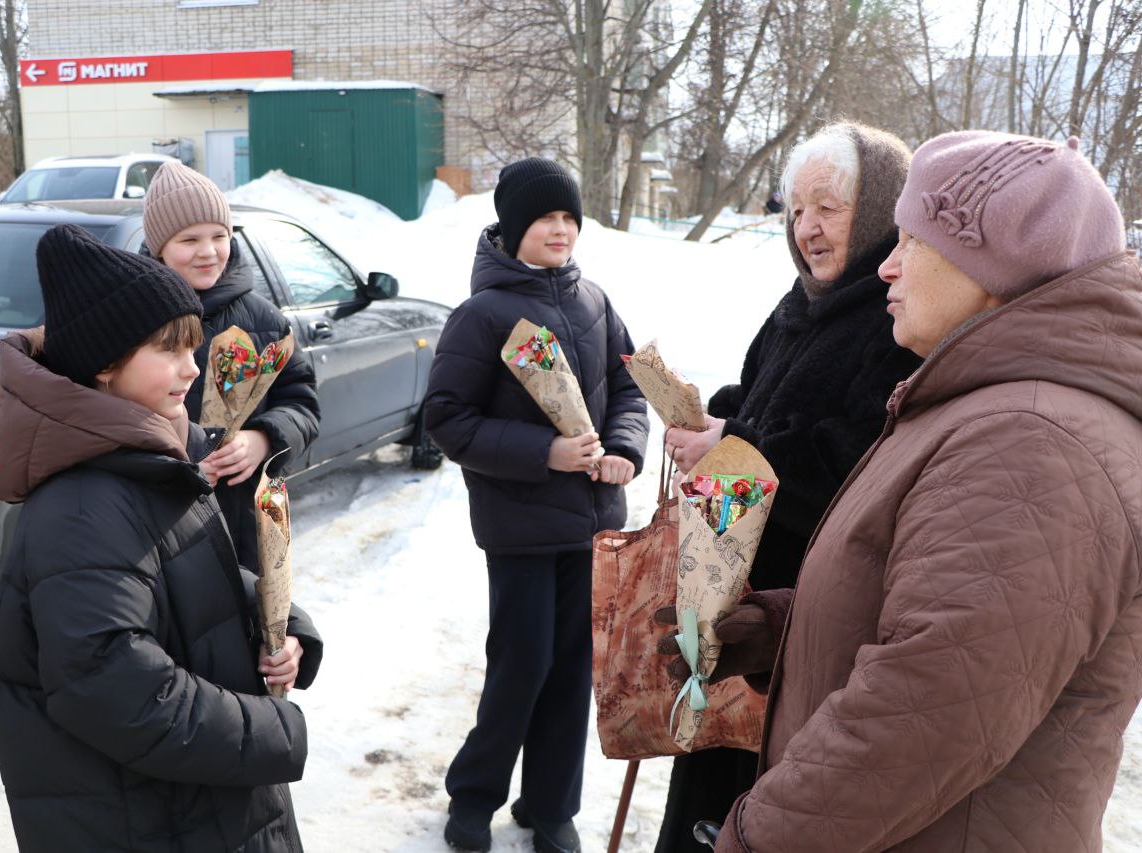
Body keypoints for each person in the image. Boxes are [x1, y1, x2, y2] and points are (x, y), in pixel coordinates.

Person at [706, 132, 1142, 852]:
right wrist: (779, 630)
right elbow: (943, 630)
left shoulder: (1031, 442)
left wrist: (756, 838)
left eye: (912, 241)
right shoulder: (985, 402)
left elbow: (924, 712)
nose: (887, 264)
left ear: (994, 264)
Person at [0, 224, 320, 851]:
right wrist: (273, 731)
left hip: (198, 797)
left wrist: (280, 623)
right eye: (170, 351)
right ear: (105, 365)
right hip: (147, 818)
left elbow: (193, 571)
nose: (193, 368)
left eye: (192, 347)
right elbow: (117, 688)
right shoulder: (82, 505)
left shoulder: (156, 454)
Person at [654, 124, 923, 851]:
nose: (807, 228)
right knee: (702, 792)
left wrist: (735, 444)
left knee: (757, 803)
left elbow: (855, 463)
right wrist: (713, 420)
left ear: (880, 212)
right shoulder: (797, 304)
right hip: (732, 594)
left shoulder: (897, 320)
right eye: (797, 210)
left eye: (829, 208)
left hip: (804, 624)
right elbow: (758, 397)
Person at [424, 157, 649, 853]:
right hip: (520, 526)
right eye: (545, 218)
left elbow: (630, 390)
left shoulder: (595, 302)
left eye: (568, 218)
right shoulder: (482, 315)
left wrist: (624, 449)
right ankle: (474, 795)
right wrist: (544, 452)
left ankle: (551, 805)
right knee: (521, 667)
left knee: (571, 672)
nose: (560, 230)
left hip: (590, 525)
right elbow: (447, 419)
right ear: (515, 225)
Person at [141, 161, 320, 572]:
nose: (208, 251)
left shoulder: (264, 320)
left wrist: (265, 439)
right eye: (189, 239)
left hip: (245, 528)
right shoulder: (136, 321)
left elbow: (302, 404)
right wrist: (176, 464)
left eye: (219, 236)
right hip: (159, 526)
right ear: (159, 247)